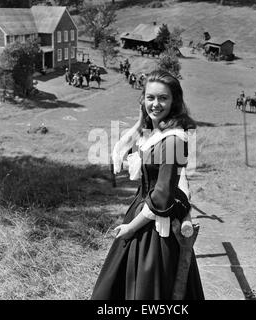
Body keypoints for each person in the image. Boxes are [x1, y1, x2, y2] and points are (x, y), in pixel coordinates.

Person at [91, 69, 204, 300]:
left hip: (155, 219)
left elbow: (162, 194)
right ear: (142, 99)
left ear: (174, 101)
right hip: (142, 209)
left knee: (147, 288)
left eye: (163, 98)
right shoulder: (155, 130)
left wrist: (132, 228)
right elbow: (122, 147)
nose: (156, 103)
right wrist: (142, 118)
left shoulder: (173, 139)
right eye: (150, 97)